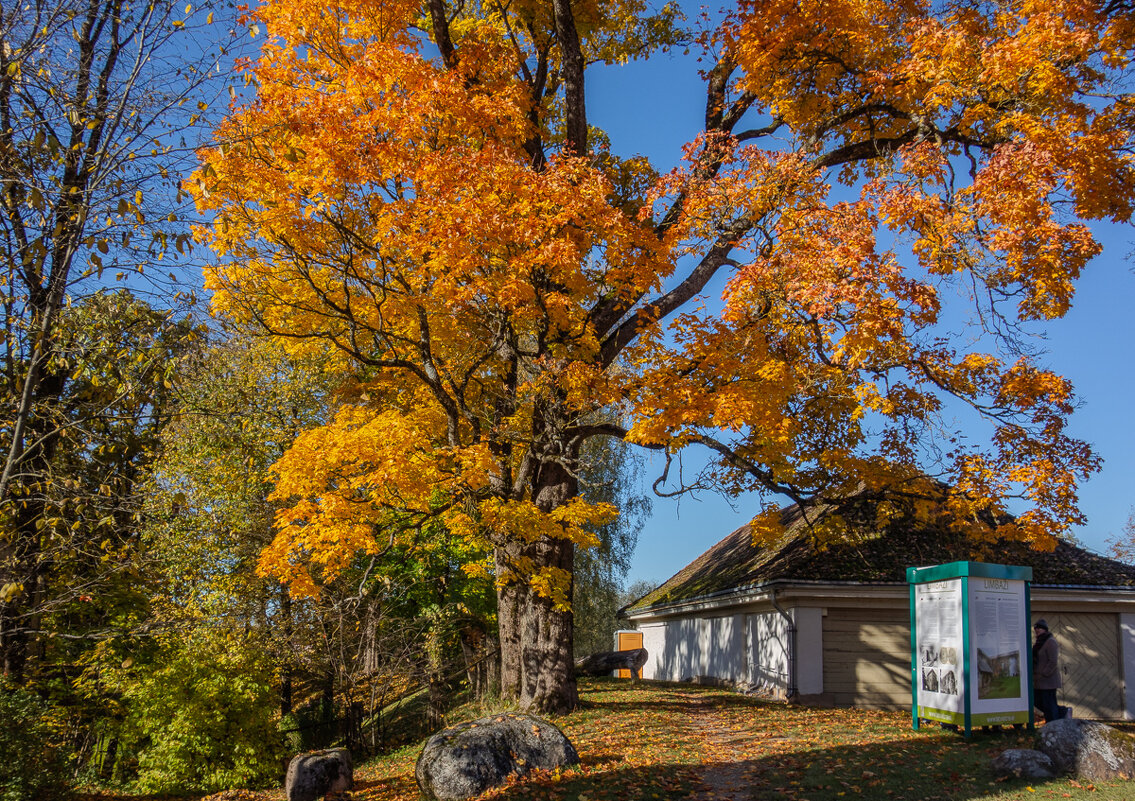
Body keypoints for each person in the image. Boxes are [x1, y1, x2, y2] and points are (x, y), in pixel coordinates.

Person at [1032, 619, 1062, 723]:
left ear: (1045, 629)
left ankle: (1053, 724)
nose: (1037, 630)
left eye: (1039, 628)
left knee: (1049, 704)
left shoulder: (1050, 641)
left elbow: (1053, 661)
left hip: (1048, 681)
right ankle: (1064, 711)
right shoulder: (1039, 643)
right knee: (1037, 701)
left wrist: (1044, 673)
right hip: (1039, 681)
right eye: (1035, 628)